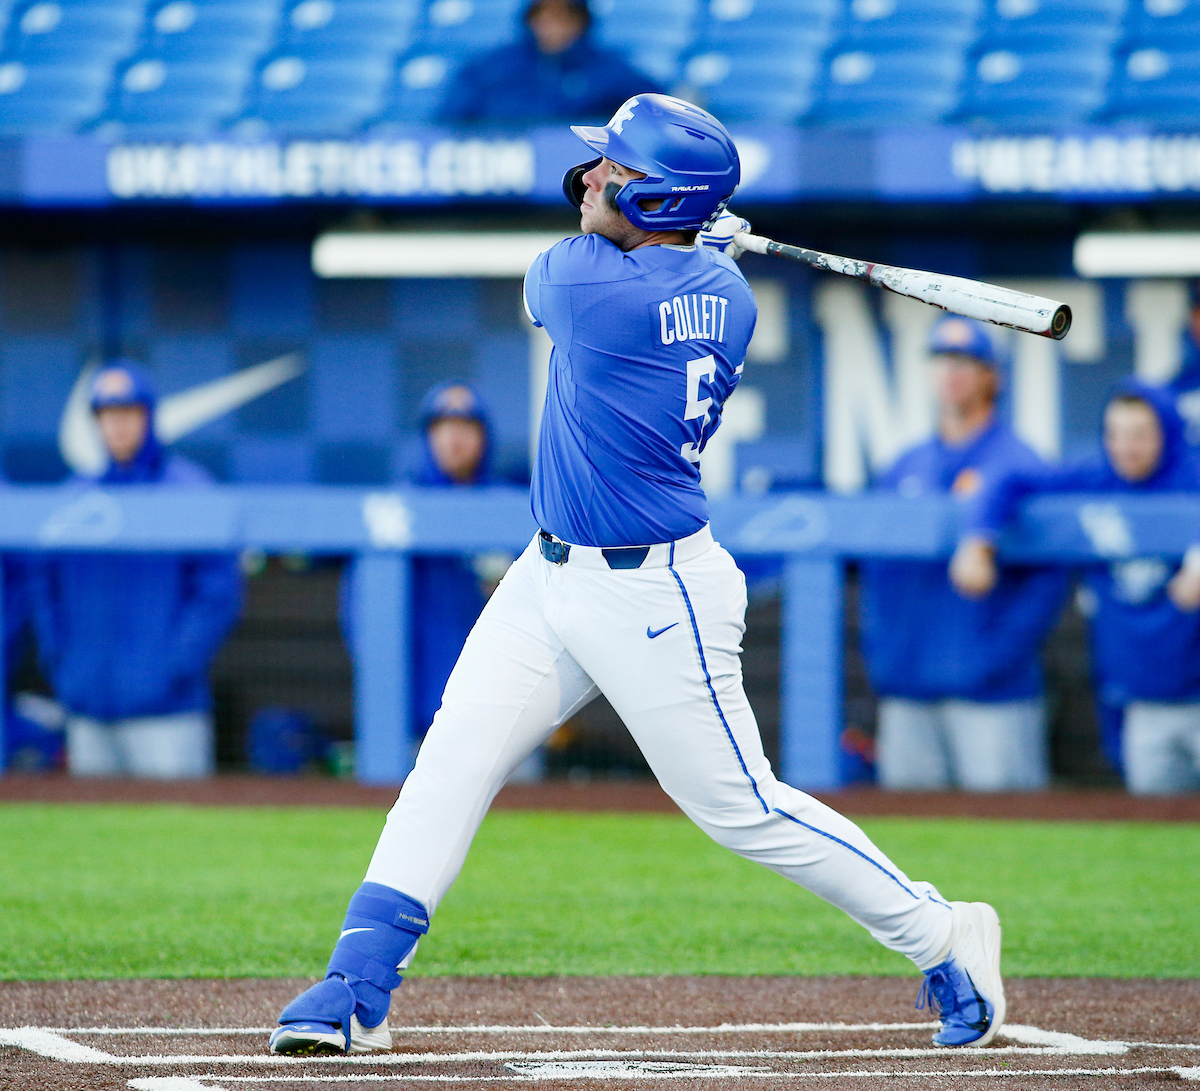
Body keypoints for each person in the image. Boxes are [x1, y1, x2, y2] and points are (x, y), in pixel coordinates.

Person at [268, 94, 1006, 1058]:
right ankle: (357, 986)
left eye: (617, 171)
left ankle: (943, 931)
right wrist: (697, 247)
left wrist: (685, 243)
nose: (592, 179)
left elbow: (568, 260)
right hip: (548, 575)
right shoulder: (727, 293)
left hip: (655, 595)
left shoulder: (588, 288)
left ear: (660, 202)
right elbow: (666, 264)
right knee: (451, 761)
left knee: (743, 809)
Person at [952, 379, 1200, 795]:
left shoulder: (1190, 475)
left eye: (1140, 435)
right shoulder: (1098, 476)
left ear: (1166, 434)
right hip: (1143, 698)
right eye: (1115, 434)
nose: (1126, 448)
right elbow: (1008, 478)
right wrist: (979, 539)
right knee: (1156, 819)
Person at [858, 318, 1068, 792]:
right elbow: (876, 573)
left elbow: (1051, 579)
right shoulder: (905, 465)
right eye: (942, 361)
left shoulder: (1018, 462)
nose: (951, 373)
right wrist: (887, 656)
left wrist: (995, 656)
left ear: (992, 376)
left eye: (966, 362)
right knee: (908, 830)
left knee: (1005, 827)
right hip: (908, 689)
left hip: (993, 696)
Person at [28, 361, 243, 778]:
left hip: (167, 713)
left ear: (149, 417)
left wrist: (172, 668)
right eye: (107, 415)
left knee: (175, 819)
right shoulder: (75, 497)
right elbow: (44, 587)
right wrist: (64, 665)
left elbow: (218, 593)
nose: (117, 426)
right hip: (87, 706)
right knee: (92, 820)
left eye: (128, 413)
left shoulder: (190, 490)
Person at [438, 0, 662, 124]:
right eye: (543, 15)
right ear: (531, 19)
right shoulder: (492, 68)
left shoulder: (609, 69)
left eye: (563, 16)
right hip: (501, 175)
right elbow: (450, 119)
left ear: (581, 21)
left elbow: (653, 107)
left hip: (582, 174)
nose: (552, 24)